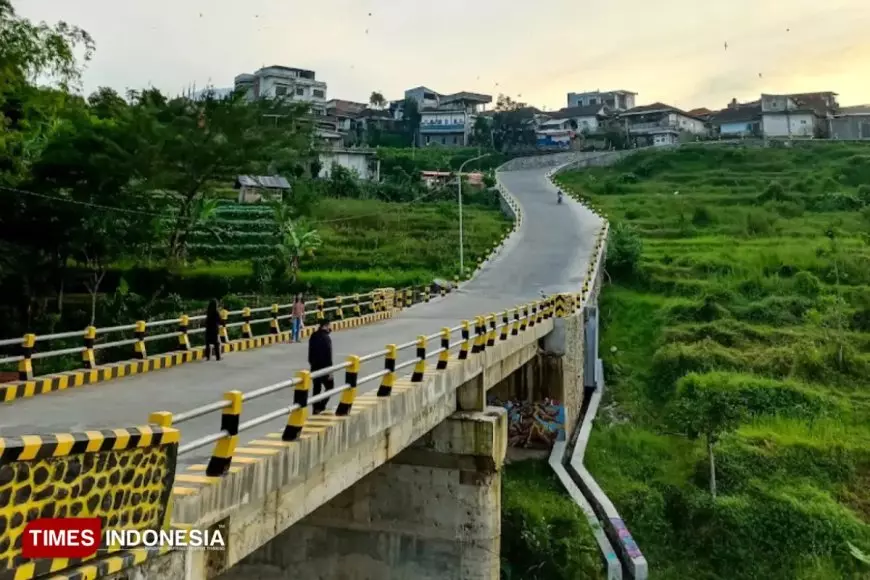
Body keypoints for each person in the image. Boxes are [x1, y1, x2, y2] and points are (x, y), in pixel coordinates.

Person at [308, 320, 333, 414]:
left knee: (316, 388)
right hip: (325, 368)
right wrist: (330, 371)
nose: (331, 328)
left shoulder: (313, 336)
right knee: (330, 387)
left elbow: (310, 352)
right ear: (326, 326)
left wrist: (312, 363)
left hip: (314, 366)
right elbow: (328, 355)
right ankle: (321, 406)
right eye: (330, 326)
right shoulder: (326, 338)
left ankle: (315, 408)